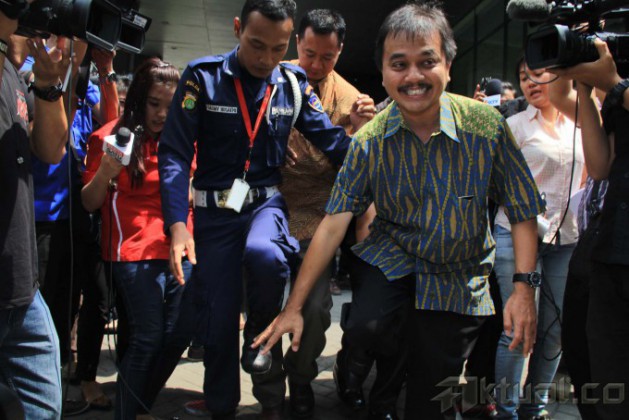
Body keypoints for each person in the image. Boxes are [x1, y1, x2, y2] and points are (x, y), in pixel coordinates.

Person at [253, 3, 545, 419]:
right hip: (392, 261)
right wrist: (294, 307)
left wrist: (523, 290)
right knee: (369, 328)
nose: (413, 77)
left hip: (457, 275)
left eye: (426, 62)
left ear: (448, 64)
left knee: (432, 392)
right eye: (399, 64)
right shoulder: (369, 141)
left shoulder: (485, 127)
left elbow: (522, 208)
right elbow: (334, 222)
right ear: (384, 72)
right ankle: (358, 369)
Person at [157, 0, 358, 418]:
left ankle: (260, 339)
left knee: (266, 255)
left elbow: (332, 141)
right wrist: (177, 224)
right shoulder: (202, 78)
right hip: (215, 215)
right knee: (219, 319)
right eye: (256, 45)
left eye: (278, 48)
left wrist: (377, 157)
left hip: (265, 203)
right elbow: (174, 152)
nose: (267, 59)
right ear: (237, 29)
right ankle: (221, 405)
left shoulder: (292, 84)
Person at [277, 8, 375, 418]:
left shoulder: (354, 100)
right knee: (261, 302)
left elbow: (357, 168)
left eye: (327, 57)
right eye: (309, 53)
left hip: (320, 216)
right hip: (270, 206)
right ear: (296, 42)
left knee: (316, 308)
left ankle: (300, 378)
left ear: (340, 51)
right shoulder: (272, 78)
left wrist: (358, 129)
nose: (316, 65)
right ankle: (268, 387)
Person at [81, 57, 192, 420]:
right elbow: (89, 202)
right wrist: (106, 172)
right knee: (148, 337)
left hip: (181, 250)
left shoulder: (184, 138)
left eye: (170, 106)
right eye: (154, 104)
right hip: (132, 252)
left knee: (178, 335)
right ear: (138, 100)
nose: (162, 114)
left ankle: (139, 406)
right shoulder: (110, 138)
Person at [492, 57, 584, 420]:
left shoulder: (580, 125)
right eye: (523, 77)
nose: (530, 82)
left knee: (554, 330)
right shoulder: (513, 126)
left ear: (561, 76)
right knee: (518, 328)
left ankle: (535, 407)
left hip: (567, 240)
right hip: (516, 236)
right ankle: (506, 411)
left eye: (538, 74)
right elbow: (499, 186)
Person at [549, 38, 629, 419]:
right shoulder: (617, 95)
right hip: (609, 251)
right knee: (602, 384)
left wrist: (613, 85)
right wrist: (584, 86)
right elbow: (599, 166)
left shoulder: (619, 88)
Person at [0, 11, 72, 419]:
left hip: (23, 291)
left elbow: (51, 150)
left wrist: (47, 84)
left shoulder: (13, 74)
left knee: (44, 410)